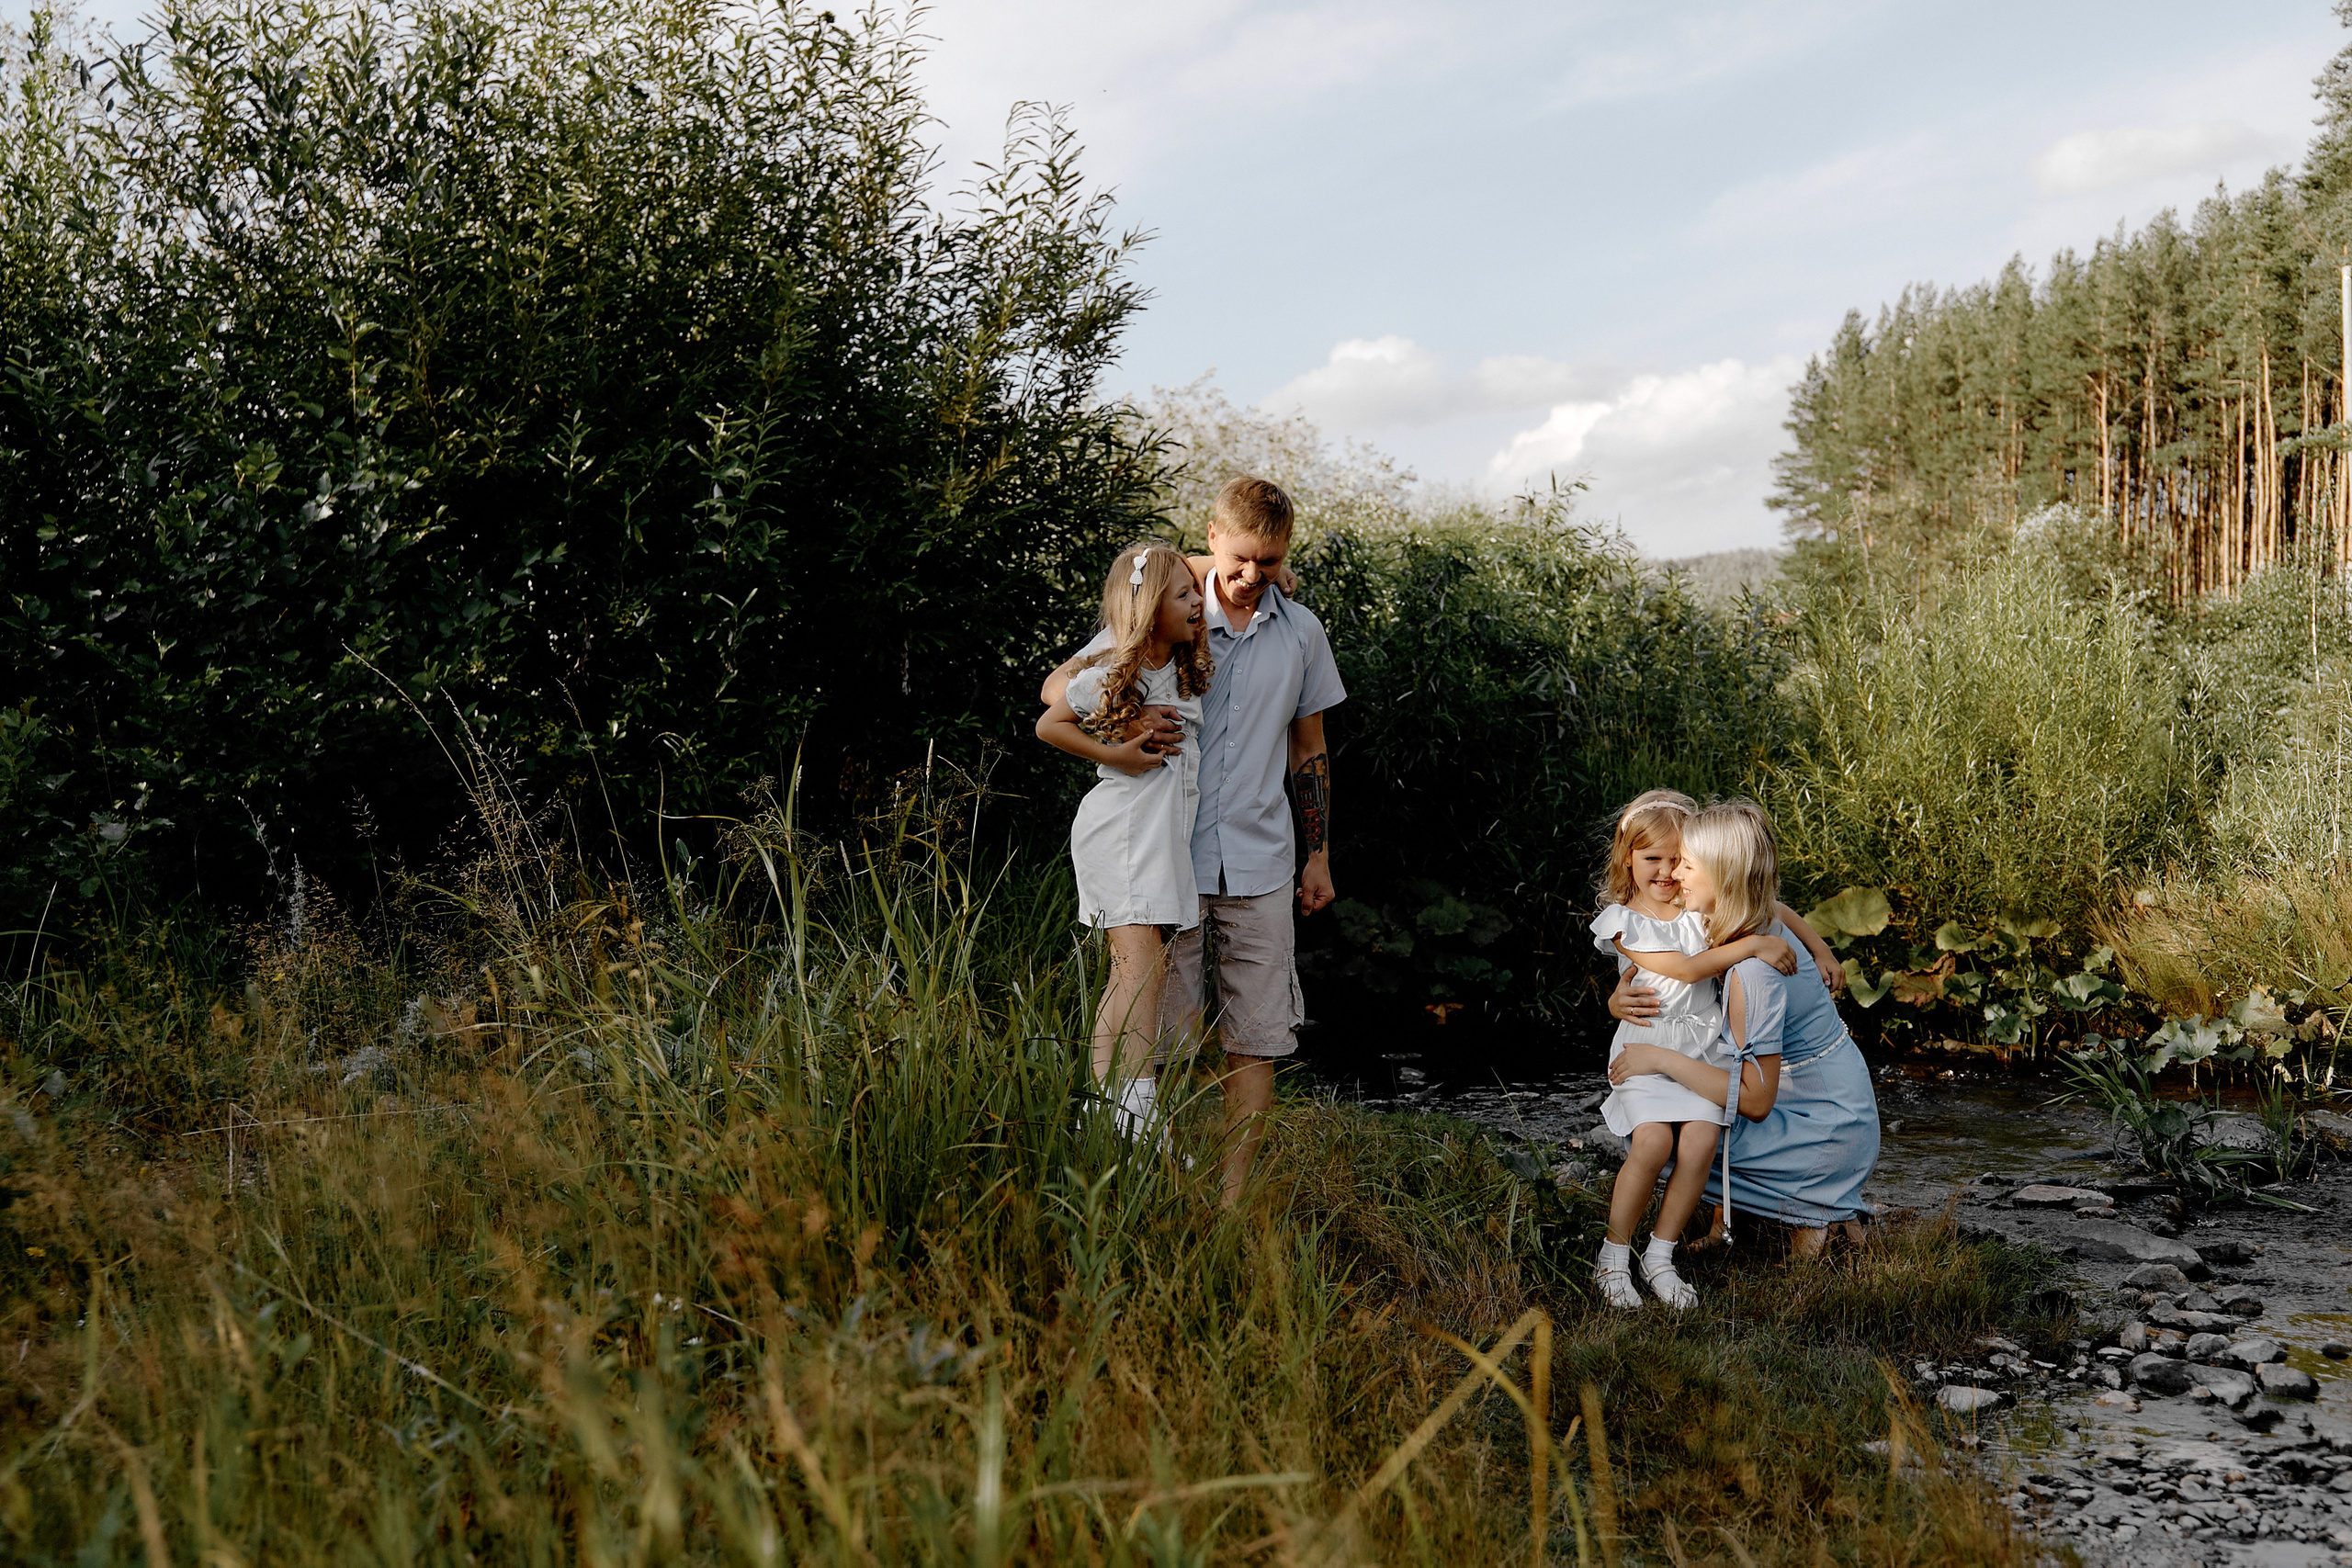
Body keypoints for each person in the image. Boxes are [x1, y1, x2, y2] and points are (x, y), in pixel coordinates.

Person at [1042, 477, 1343, 1207]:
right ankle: (1154, 1186)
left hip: (1264, 858)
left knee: (1257, 1034)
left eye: (1269, 563)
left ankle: (1230, 1203)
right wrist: (1124, 735)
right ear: (1211, 539)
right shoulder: (1164, 615)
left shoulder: (1301, 630)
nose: (1252, 577)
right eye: (1238, 560)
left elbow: (1310, 747)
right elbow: (1060, 693)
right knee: (1161, 1030)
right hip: (1167, 855)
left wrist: (1318, 853)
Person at [1607, 799, 1881, 1260]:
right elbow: (1669, 966)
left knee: (1677, 1136)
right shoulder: (1744, 918)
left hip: (1825, 1127)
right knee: (1680, 1115)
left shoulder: (1752, 972)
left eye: (1686, 864)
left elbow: (1754, 1101)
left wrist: (1659, 1059)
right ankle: (1732, 1218)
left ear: (1721, 876)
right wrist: (1618, 996)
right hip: (1827, 1099)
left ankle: (1810, 1206)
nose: (1673, 875)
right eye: (1668, 861)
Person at [1588, 788, 1802, 1310]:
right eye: (1651, 859)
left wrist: (1816, 949)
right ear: (1627, 858)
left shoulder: (1692, 905)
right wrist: (1752, 945)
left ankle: (1659, 1256)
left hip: (1702, 1049)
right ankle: (1612, 1256)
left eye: (1676, 860)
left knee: (1702, 1141)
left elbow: (1773, 905)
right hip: (1647, 1047)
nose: (1664, 872)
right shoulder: (1622, 922)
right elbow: (1682, 971)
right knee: (1654, 1142)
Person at [1034, 543, 1213, 1141]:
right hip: (1126, 831)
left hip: (1157, 834)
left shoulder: (1173, 665)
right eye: (1185, 595)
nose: (1198, 602)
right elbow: (1050, 721)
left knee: (1138, 971)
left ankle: (1109, 1113)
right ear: (1148, 608)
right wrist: (1116, 753)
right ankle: (1134, 1114)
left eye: (1195, 591)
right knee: (1138, 970)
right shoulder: (1117, 669)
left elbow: (1200, 565)